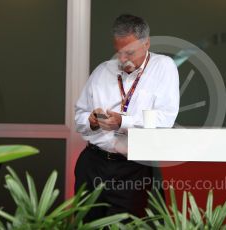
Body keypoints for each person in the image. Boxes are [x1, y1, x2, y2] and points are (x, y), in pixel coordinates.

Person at [74, 14, 179, 221]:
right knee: (85, 224)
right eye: (119, 52)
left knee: (127, 225)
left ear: (146, 43)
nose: (122, 60)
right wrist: (92, 121)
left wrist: (122, 122)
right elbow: (80, 115)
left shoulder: (163, 67)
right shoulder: (102, 71)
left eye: (129, 52)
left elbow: (165, 119)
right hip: (93, 163)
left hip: (133, 169)